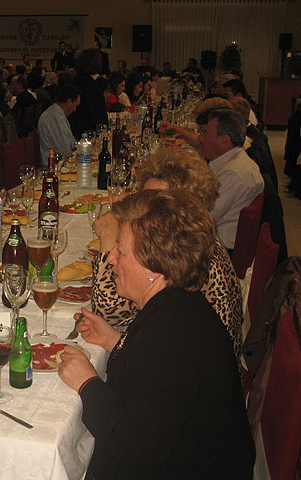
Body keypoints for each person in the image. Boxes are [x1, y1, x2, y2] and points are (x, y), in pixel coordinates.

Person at [59, 189, 255, 478]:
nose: (110, 258)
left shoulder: (170, 334)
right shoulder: (179, 305)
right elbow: (156, 383)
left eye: (121, 251)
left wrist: (87, 383)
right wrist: (114, 341)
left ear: (155, 269)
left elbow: (134, 442)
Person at [90, 147, 244, 356]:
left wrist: (109, 242)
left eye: (155, 202)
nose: (146, 208)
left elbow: (109, 310)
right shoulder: (193, 237)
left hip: (194, 364)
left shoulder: (180, 253)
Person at [197, 108, 264, 251]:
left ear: (224, 141)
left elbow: (202, 217)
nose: (200, 139)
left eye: (204, 133)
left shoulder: (232, 174)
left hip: (219, 249)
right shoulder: (237, 161)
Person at [69, 48, 108, 138]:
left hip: (75, 127)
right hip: (89, 131)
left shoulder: (75, 81)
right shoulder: (93, 85)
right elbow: (98, 113)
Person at [37, 84, 80, 164]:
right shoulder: (53, 117)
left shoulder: (57, 114)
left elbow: (71, 142)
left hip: (61, 162)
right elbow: (67, 149)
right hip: (54, 166)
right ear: (69, 102)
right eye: (75, 105)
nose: (74, 110)